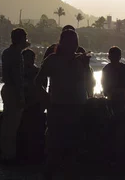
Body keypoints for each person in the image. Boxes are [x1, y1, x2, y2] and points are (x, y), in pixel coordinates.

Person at [36, 29, 89, 174]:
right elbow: (38, 81)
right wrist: (46, 97)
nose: (72, 45)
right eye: (70, 42)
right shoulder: (52, 60)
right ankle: (51, 172)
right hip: (58, 106)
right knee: (55, 143)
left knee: (74, 143)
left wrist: (87, 66)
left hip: (78, 105)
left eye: (75, 42)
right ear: (62, 42)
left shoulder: (81, 60)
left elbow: (89, 82)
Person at [0, 28, 28, 164]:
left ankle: (6, 153)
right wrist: (21, 96)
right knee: (12, 125)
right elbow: (17, 77)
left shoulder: (7, 53)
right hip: (13, 91)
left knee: (7, 124)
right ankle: (9, 156)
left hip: (7, 89)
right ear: (21, 39)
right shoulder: (17, 55)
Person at [17, 48, 45, 163]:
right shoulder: (19, 73)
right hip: (23, 106)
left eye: (30, 58)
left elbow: (43, 90)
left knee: (34, 133)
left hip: (34, 107)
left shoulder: (38, 72)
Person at [101, 46, 125, 116]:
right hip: (122, 101)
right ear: (120, 57)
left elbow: (104, 87)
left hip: (119, 101)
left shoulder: (106, 69)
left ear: (109, 57)